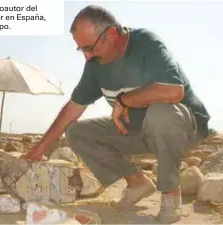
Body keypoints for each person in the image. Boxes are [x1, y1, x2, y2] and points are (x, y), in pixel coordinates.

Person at [25, 5, 210, 224]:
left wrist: (125, 100)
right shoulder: (95, 65)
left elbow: (173, 91)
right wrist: (40, 148)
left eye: (90, 48)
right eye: (81, 50)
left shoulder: (146, 44)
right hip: (138, 131)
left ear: (111, 34)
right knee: (76, 132)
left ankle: (170, 194)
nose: (87, 56)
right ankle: (137, 183)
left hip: (184, 128)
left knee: (160, 113)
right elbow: (72, 110)